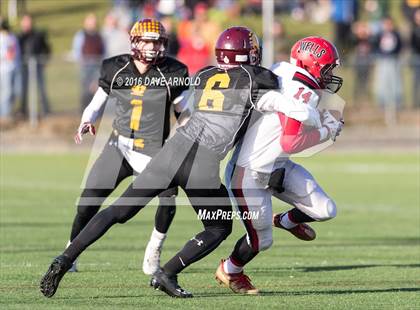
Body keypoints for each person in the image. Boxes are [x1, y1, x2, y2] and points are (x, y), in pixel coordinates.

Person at [40, 26, 322, 299]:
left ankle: (64, 258)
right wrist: (319, 119)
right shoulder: (258, 82)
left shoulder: (204, 75)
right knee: (219, 227)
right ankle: (168, 273)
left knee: (118, 211)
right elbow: (297, 110)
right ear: (251, 55)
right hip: (202, 163)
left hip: (172, 150)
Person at [215, 36, 344, 295]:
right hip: (248, 172)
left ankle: (285, 220)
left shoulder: (279, 69)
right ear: (311, 65)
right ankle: (230, 270)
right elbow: (291, 141)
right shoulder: (303, 91)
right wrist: (327, 130)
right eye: (327, 68)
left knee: (326, 209)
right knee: (261, 241)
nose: (331, 75)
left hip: (277, 166)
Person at [65, 18, 188, 273]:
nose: (154, 47)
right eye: (148, 41)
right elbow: (97, 102)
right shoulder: (116, 68)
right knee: (88, 201)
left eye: (158, 42)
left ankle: (154, 248)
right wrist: (86, 120)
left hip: (153, 148)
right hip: (119, 146)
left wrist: (186, 134)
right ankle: (71, 250)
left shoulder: (173, 72)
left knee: (167, 200)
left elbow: (184, 112)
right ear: (135, 42)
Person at [18, 14, 51, 118]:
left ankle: (46, 111)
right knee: (23, 90)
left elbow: (47, 49)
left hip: (37, 67)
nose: (27, 24)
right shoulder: (19, 37)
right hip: (24, 67)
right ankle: (23, 111)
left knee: (41, 89)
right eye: (25, 22)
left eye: (29, 21)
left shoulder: (38, 35)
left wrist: (44, 61)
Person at [72, 13, 105, 112]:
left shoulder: (99, 36)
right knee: (85, 91)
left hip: (97, 67)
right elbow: (77, 51)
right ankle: (83, 111)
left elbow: (103, 51)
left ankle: (97, 112)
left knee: (96, 89)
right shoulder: (80, 35)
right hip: (85, 67)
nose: (92, 24)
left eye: (94, 21)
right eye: (90, 21)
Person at [0, 17, 20, 121]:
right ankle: (4, 116)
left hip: (15, 68)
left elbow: (16, 52)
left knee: (16, 92)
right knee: (6, 93)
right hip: (4, 70)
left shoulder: (12, 37)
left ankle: (10, 112)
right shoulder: (1, 38)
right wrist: (5, 56)